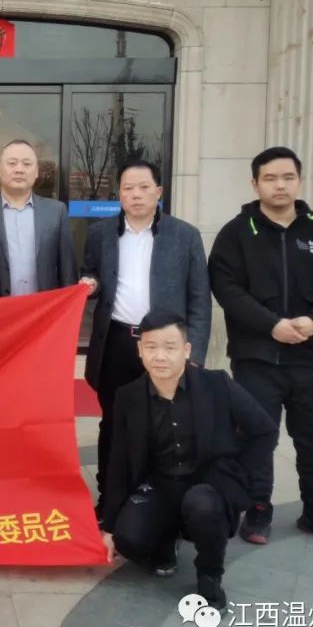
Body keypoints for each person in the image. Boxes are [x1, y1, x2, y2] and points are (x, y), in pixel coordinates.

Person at [209, 146, 313, 549]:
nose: (279, 185)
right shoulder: (237, 234)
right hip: (257, 359)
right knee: (256, 436)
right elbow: (227, 288)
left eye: (287, 177)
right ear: (255, 184)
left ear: (299, 181)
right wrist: (271, 325)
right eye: (270, 178)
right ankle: (258, 508)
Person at [100, 311, 277, 611]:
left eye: (170, 347)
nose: (160, 356)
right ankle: (165, 540)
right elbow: (118, 460)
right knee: (128, 540)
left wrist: (244, 480)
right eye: (151, 346)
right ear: (140, 350)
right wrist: (110, 525)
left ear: (186, 350)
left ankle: (209, 574)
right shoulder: (128, 396)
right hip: (159, 483)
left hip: (210, 482)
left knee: (202, 505)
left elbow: (264, 430)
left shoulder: (217, 384)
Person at [79, 158, 211, 522]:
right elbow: (92, 275)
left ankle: (160, 501)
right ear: (119, 194)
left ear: (159, 192)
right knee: (113, 422)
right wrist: (91, 284)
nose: (135, 195)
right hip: (117, 342)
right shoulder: (101, 233)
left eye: (143, 187)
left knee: (166, 424)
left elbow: (200, 299)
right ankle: (109, 499)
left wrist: (194, 354)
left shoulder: (185, 236)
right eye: (128, 188)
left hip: (164, 346)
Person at [0, 139, 78, 295]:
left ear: (36, 172)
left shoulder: (56, 212)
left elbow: (68, 274)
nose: (19, 169)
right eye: (12, 163)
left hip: (43, 307)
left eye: (27, 164)